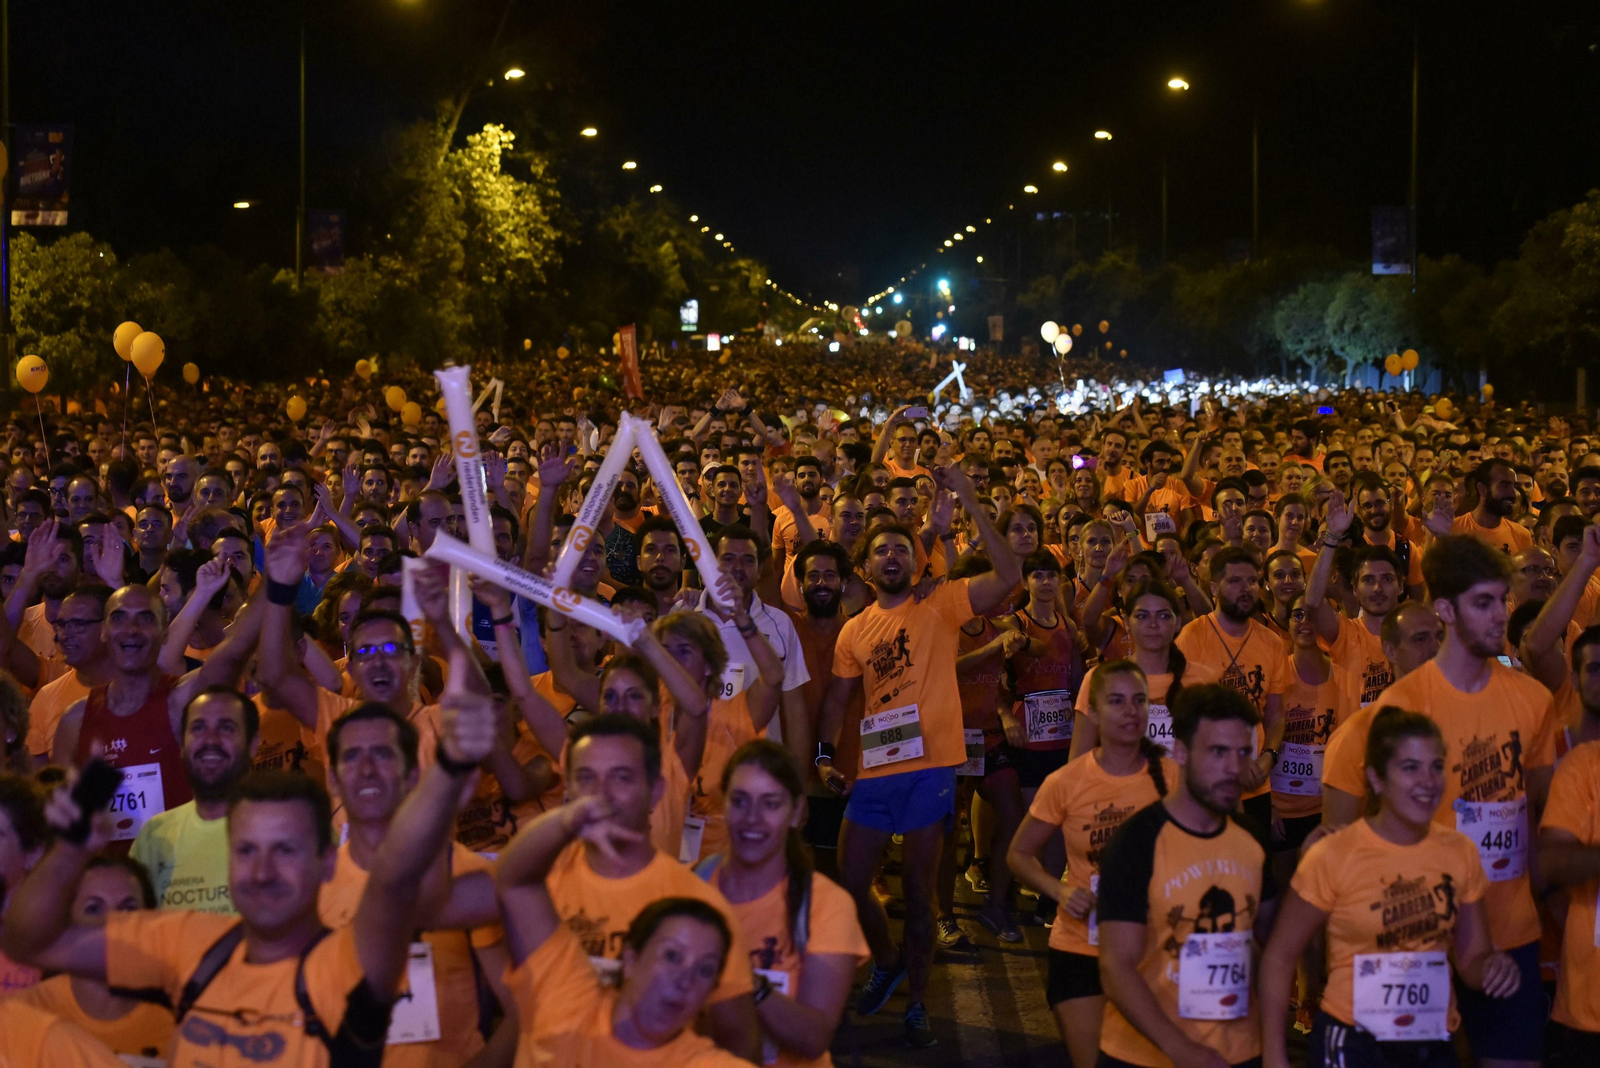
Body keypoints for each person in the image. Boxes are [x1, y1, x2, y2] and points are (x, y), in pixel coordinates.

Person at [1, 642, 499, 1067]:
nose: (262, 871)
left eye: (285, 850)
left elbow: (425, 887)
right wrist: (67, 854)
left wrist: (442, 787)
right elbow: (30, 941)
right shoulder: (187, 945)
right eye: (246, 850)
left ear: (327, 861)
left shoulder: (353, 954)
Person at [1321, 535, 1554, 1068]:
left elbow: (1537, 811)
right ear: (1446, 610)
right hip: (1416, 935)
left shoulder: (1533, 700)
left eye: (1502, 599)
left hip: (1510, 930)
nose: (1499, 614)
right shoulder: (1396, 710)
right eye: (1482, 602)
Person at [815, 464, 1020, 1047]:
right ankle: (887, 960)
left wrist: (972, 499)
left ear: (916, 560)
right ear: (866, 567)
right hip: (877, 769)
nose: (891, 557)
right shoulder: (856, 629)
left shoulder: (945, 602)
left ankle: (919, 1004)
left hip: (930, 768)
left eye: (901, 548)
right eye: (880, 550)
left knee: (922, 893)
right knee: (851, 884)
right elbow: (838, 698)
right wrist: (826, 756)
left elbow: (1008, 573)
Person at [492, 713, 761, 1061]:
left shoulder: (696, 906)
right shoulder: (541, 876)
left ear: (656, 792)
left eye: (621, 778)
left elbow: (739, 1040)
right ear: (569, 789)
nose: (600, 796)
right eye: (586, 778)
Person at [1261, 707, 1517, 1068]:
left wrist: (1494, 967)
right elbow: (1279, 956)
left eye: (1436, 766)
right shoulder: (1335, 854)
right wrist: (1274, 1056)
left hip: (1432, 1040)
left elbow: (1471, 959)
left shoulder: (1460, 852)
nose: (1428, 781)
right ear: (1376, 779)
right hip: (1355, 1042)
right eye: (1410, 768)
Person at [317, 701, 517, 1067]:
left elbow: (522, 1009)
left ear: (412, 775)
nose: (366, 770)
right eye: (351, 757)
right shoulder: (315, 886)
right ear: (331, 779)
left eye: (382, 754)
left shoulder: (465, 874)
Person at [1094, 684, 1275, 1068]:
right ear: (1180, 752)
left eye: (1243, 753)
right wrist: (1183, 1050)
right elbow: (1116, 966)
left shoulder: (1252, 840)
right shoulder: (1138, 842)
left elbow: (1270, 942)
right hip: (1144, 1057)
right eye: (1217, 752)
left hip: (1238, 1052)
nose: (1233, 768)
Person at [1006, 660, 1175, 1068]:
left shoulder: (1172, 778)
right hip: (1081, 945)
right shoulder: (1066, 782)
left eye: (1139, 701)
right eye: (1116, 702)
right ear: (1094, 712)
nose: (1130, 711)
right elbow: (1018, 854)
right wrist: (1060, 890)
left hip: (1152, 947)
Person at [696, 740, 869, 1067]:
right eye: (740, 801)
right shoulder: (695, 888)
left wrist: (741, 977)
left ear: (797, 813)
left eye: (770, 804)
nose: (752, 819)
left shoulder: (825, 906)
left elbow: (813, 1038)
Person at [8, 854, 176, 1060]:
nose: (112, 922)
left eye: (129, 908)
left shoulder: (182, 1016)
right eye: (93, 909)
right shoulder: (27, 1012)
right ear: (66, 924)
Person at [1174, 545, 1288, 830]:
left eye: (1252, 581)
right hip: (1208, 783)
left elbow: (1275, 715)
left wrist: (1267, 759)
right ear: (1214, 586)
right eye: (1235, 581)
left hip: (1255, 782)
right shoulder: (1193, 636)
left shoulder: (1272, 641)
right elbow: (1183, 718)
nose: (1246, 588)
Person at [130, 687, 260, 913]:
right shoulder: (155, 836)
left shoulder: (292, 827)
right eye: (198, 728)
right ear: (181, 744)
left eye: (226, 728)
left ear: (253, 745)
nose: (210, 740)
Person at [1534, 627, 1600, 1066]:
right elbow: (1552, 864)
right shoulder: (1581, 765)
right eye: (1595, 668)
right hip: (1590, 1010)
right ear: (1574, 679)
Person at [1070, 580, 1221, 759]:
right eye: (1142, 616)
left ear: (1178, 622)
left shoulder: (1204, 680)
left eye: (1164, 616)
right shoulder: (1099, 680)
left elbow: (1215, 757)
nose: (1153, 624)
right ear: (1126, 623)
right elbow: (1078, 763)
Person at [1309, 490, 1404, 706]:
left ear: (1401, 586)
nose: (1378, 588)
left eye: (1387, 579)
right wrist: (1332, 538)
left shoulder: (1415, 632)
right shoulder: (1346, 634)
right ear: (1354, 589)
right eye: (1368, 580)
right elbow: (1313, 602)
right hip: (1356, 739)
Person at [1451, 459, 1533, 555]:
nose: (1513, 493)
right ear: (1482, 489)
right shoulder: (1453, 530)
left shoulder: (1522, 535)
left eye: (1514, 486)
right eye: (1504, 486)